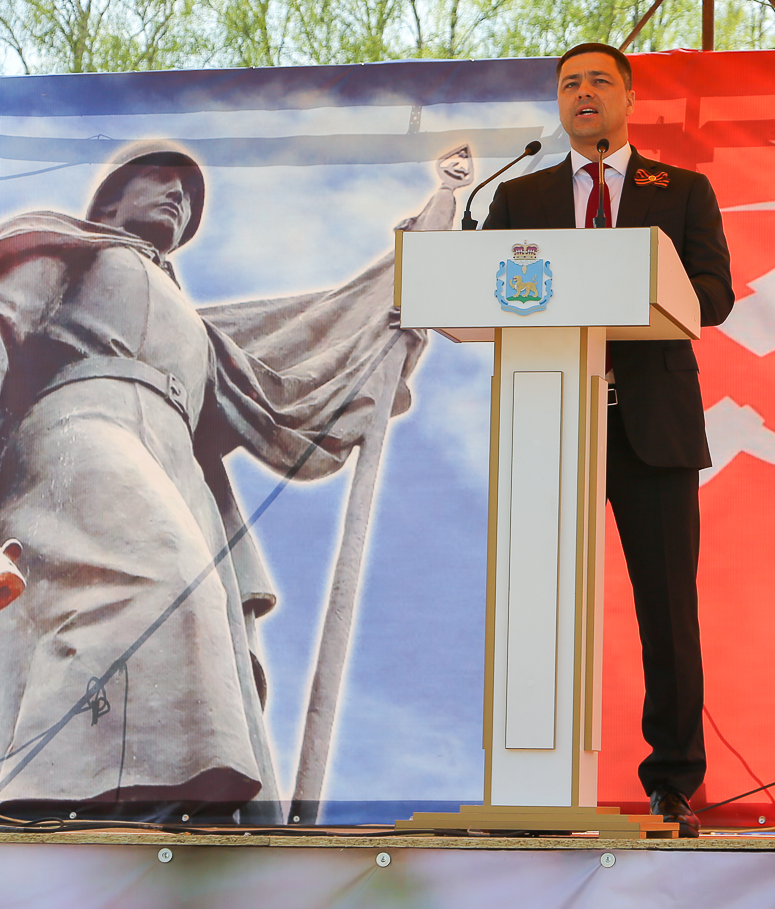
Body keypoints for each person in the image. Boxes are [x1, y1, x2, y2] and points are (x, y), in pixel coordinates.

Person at [0, 144, 440, 821]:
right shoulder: (69, 248)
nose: (178, 196)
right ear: (111, 198)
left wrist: (400, 287)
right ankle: (65, 794)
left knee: (206, 616)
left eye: (189, 194)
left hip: (178, 463)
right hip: (83, 424)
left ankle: (171, 799)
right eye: (162, 179)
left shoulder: (196, 326)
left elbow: (295, 359)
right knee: (160, 574)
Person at [483, 43, 734, 837]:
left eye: (597, 81)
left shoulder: (681, 190)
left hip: (650, 426)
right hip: (549, 421)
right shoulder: (517, 195)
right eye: (569, 84)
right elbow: (481, 286)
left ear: (628, 98)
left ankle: (673, 783)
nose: (582, 93)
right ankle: (532, 777)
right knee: (532, 598)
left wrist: (640, 280)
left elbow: (715, 295)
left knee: (667, 610)